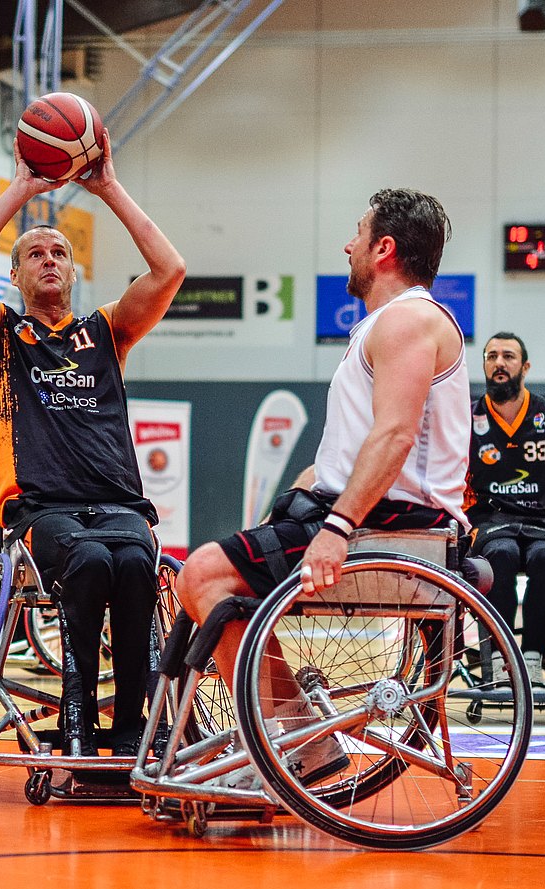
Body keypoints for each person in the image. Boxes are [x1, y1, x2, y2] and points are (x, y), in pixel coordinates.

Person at [178, 187, 469, 785]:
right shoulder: (386, 325)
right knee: (212, 574)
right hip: (368, 511)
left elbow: (393, 438)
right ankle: (292, 734)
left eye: (357, 235)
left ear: (383, 248)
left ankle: (300, 742)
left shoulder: (409, 319)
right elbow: (349, 453)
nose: (347, 246)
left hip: (390, 525)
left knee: (202, 575)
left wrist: (336, 527)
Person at [0, 128, 185, 756]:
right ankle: (77, 722)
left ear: (74, 272)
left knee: (133, 564)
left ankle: (130, 726)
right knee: (93, 565)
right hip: (41, 509)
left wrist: (106, 187)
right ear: (17, 275)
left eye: (59, 252)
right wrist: (22, 188)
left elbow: (170, 269)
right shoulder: (0, 336)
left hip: (119, 505)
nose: (49, 258)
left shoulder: (107, 331)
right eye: (35, 254)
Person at [466, 332, 545, 685]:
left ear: (525, 367)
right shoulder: (467, 418)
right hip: (491, 522)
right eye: (491, 356)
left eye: (508, 356)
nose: (498, 363)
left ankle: (533, 658)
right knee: (501, 556)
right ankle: (500, 656)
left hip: (540, 521)